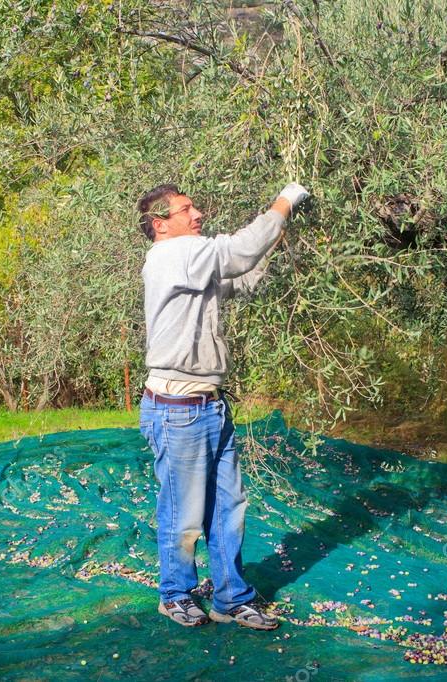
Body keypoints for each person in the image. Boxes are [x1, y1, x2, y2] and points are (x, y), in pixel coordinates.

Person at [136, 182, 310, 629]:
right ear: (161, 224)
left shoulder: (192, 262)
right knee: (183, 511)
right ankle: (175, 594)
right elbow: (238, 251)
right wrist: (285, 201)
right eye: (185, 209)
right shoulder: (172, 255)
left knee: (229, 506)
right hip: (177, 410)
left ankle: (231, 598)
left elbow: (245, 276)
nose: (197, 215)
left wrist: (281, 241)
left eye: (195, 207)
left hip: (209, 406)